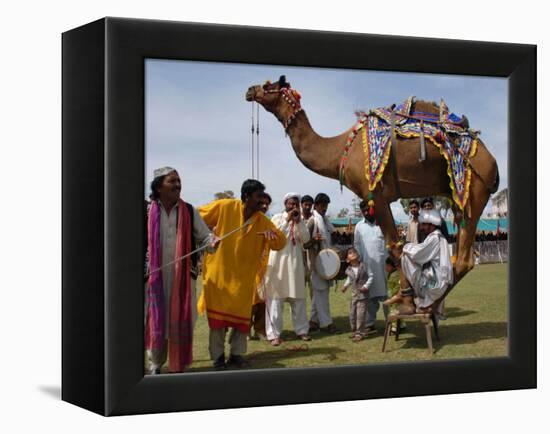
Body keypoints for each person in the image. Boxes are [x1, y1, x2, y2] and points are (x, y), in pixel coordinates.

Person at [198, 179, 286, 370]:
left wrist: (274, 238)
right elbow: (196, 217)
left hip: (243, 280)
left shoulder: (262, 221)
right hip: (219, 276)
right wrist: (208, 235)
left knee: (241, 321)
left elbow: (281, 243)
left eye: (264, 200)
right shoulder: (224, 207)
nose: (262, 204)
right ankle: (218, 358)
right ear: (246, 197)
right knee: (218, 322)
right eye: (258, 199)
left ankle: (236, 355)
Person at [145, 167, 219, 375]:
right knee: (154, 317)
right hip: (153, 279)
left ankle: (179, 366)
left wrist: (213, 241)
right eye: (172, 181)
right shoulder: (146, 211)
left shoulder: (189, 211)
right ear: (159, 186)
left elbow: (205, 238)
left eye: (179, 181)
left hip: (183, 280)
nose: (178, 185)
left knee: (182, 320)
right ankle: (155, 365)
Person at [263, 193, 312, 346]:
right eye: (291, 204)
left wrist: (299, 223)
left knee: (298, 300)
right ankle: (274, 335)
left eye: (295, 204)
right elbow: (275, 235)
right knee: (276, 301)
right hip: (277, 267)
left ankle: (302, 331)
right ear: (285, 204)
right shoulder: (277, 218)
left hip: (295, 266)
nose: (293, 207)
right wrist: (287, 219)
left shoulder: (301, 221)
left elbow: (306, 239)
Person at [400, 209, 454, 313]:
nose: (421, 228)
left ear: (432, 225)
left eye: (424, 225)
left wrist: (405, 247)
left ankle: (411, 295)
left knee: (405, 257)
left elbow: (418, 253)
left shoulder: (435, 238)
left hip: (436, 282)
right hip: (437, 278)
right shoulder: (437, 237)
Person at [304, 193, 339, 333]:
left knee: (319, 293)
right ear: (316, 205)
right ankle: (326, 324)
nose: (324, 208)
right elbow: (304, 244)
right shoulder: (312, 221)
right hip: (316, 264)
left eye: (326, 205)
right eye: (322, 205)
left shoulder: (326, 221)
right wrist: (314, 240)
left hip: (326, 262)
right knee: (322, 294)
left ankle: (313, 322)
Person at [353, 199, 389, 335]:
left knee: (388, 296)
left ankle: (391, 323)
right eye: (364, 211)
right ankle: (369, 323)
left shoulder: (383, 223)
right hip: (367, 267)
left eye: (368, 209)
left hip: (385, 267)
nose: (367, 212)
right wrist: (360, 263)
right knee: (369, 298)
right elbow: (356, 245)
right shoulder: (359, 226)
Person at [249, 192, 273, 340]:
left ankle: (260, 330)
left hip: (266, 268)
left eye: (267, 204)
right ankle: (245, 331)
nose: (264, 206)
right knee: (249, 302)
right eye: (261, 203)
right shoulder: (247, 220)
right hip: (248, 269)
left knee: (263, 301)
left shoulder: (268, 222)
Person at [341, 247, 373, 342]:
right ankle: (355, 330)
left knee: (360, 314)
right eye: (350, 253)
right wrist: (345, 286)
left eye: (354, 252)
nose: (353, 253)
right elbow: (350, 279)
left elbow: (371, 276)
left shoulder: (364, 266)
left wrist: (366, 286)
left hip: (363, 295)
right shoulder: (349, 270)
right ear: (347, 259)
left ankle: (360, 333)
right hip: (354, 295)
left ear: (358, 255)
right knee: (352, 313)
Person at [385, 257, 406, 334]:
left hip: (395, 297)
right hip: (394, 295)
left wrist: (393, 294)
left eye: (387, 266)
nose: (386, 267)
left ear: (393, 266)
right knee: (398, 311)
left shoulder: (395, 275)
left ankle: (394, 328)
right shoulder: (392, 274)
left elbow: (398, 286)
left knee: (394, 312)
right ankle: (401, 324)